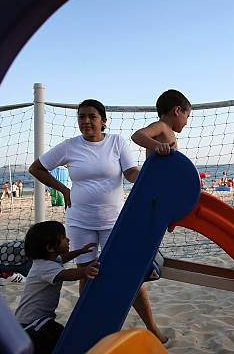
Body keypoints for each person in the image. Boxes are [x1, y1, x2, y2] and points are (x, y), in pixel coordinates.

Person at [29, 98, 167, 343]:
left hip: (114, 220)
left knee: (129, 274)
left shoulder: (117, 142)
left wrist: (150, 174)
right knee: (86, 274)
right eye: (81, 116)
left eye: (92, 116)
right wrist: (63, 190)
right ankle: (90, 328)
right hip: (80, 221)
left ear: (103, 120)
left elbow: (131, 172)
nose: (86, 121)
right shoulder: (69, 146)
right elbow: (36, 168)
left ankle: (152, 326)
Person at [15, 221, 98, 353]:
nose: (68, 239)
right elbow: (66, 274)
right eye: (64, 238)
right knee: (57, 336)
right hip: (31, 323)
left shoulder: (49, 260)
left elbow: (64, 258)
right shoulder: (44, 268)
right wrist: (84, 271)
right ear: (50, 247)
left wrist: (80, 252)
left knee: (56, 337)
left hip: (38, 320)